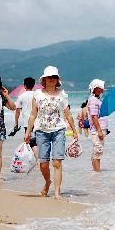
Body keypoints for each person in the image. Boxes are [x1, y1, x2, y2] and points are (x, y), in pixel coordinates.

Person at [25, 66, 77, 200]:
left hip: (59, 130)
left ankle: (57, 192)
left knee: (57, 163)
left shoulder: (62, 95)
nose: (52, 79)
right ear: (44, 79)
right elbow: (32, 115)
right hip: (41, 131)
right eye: (49, 77)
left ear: (57, 79)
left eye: (54, 77)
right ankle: (48, 182)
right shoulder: (37, 94)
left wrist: (74, 130)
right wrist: (28, 132)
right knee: (43, 164)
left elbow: (68, 114)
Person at [14, 77, 38, 159]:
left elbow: (17, 111)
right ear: (33, 85)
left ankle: (36, 160)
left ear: (24, 86)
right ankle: (37, 160)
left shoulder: (21, 96)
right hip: (37, 122)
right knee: (37, 142)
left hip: (27, 123)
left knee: (32, 143)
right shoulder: (37, 95)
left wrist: (16, 123)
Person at [87, 79, 107, 172]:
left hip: (100, 128)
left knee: (98, 150)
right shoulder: (93, 100)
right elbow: (94, 116)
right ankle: (97, 171)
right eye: (101, 87)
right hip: (97, 129)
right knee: (98, 150)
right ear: (96, 88)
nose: (103, 89)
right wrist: (99, 130)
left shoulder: (96, 99)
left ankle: (96, 172)